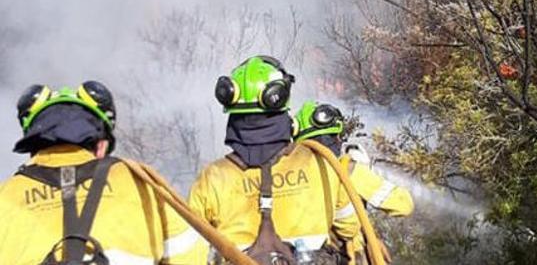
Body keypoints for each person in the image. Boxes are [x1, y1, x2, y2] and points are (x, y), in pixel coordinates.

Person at [0, 81, 201, 264]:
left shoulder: (5, 197)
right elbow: (191, 254)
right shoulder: (141, 182)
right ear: (102, 146)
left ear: (34, 146)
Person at [189, 56, 360, 264]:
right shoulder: (322, 163)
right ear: (281, 103)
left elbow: (189, 254)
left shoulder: (213, 178)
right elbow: (349, 227)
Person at [293, 101, 414, 263]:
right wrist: (366, 170)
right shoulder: (347, 170)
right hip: (344, 256)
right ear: (337, 136)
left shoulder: (287, 174)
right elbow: (403, 205)